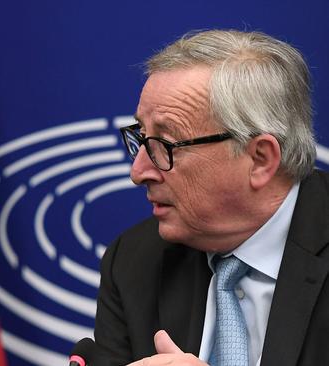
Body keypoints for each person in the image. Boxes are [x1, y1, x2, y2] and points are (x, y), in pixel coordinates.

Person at [94, 29, 328, 365]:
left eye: (166, 145)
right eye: (141, 138)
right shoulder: (132, 262)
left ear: (260, 159)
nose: (138, 171)